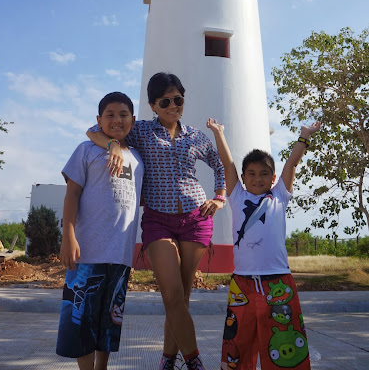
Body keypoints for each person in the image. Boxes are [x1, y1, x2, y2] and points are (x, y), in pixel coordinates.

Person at [87, 72, 226, 370]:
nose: (173, 106)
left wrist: (219, 197)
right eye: (165, 101)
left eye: (178, 99)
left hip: (196, 219)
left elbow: (219, 165)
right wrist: (113, 145)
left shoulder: (195, 136)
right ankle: (194, 361)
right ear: (152, 105)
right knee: (172, 295)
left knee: (182, 298)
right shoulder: (141, 131)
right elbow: (92, 131)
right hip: (157, 221)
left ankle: (168, 359)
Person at [207, 117, 321, 370]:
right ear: (243, 178)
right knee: (239, 344)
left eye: (264, 174)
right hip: (243, 283)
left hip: (278, 280)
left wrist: (304, 136)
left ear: (273, 178)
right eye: (251, 174)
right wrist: (219, 132)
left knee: (285, 341)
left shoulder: (279, 195)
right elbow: (228, 164)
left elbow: (292, 163)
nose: (257, 178)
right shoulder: (237, 195)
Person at [56, 92, 144, 370]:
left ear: (133, 120)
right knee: (81, 322)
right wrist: (68, 236)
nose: (117, 120)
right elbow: (72, 195)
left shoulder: (138, 159)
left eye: (123, 115)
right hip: (87, 252)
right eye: (110, 115)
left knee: (109, 324)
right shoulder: (86, 150)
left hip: (120, 255)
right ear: (99, 119)